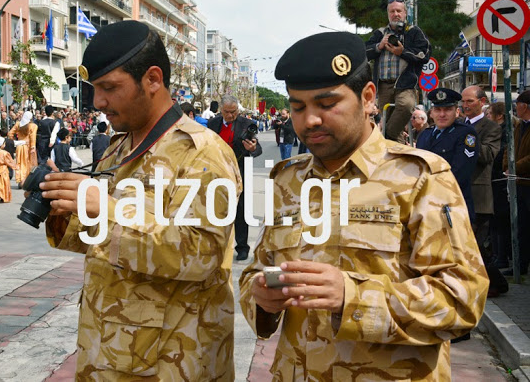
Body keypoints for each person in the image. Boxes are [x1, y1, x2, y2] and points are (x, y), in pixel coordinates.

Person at [240, 32, 488, 381]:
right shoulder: (287, 179)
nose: (310, 120)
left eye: (327, 105)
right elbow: (256, 271)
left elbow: (463, 297)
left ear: (368, 97)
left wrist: (353, 297)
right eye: (298, 107)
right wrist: (261, 302)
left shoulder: (419, 177)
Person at [40, 20, 241, 380]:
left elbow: (202, 256)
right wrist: (62, 205)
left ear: (152, 80)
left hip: (173, 363)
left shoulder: (204, 154)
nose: (98, 102)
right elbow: (102, 241)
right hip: (109, 352)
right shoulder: (120, 147)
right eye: (94, 89)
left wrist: (106, 208)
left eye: (109, 88)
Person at [460, 85, 507, 298]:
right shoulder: (458, 125)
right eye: (463, 101)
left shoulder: (491, 128)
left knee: (475, 247)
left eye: (470, 101)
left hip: (478, 196)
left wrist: (467, 141)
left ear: (482, 102)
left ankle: (495, 283)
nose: (465, 105)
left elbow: (488, 155)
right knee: (466, 247)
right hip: (457, 195)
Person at [365, 0, 430, 143]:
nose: (396, 14)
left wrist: (403, 52)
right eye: (392, 11)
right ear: (388, 14)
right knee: (390, 121)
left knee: (406, 106)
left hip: (405, 83)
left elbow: (425, 54)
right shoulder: (380, 33)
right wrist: (379, 46)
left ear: (405, 13)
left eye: (399, 11)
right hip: (383, 85)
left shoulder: (413, 32)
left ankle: (385, 136)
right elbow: (364, 52)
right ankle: (396, 156)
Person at [208, 94, 262, 261]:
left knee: (241, 210)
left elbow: (258, 149)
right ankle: (218, 245)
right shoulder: (212, 124)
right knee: (215, 210)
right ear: (221, 111)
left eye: (234, 112)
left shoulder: (247, 124)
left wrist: (252, 148)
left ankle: (242, 247)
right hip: (217, 172)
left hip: (240, 172)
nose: (231, 115)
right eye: (227, 112)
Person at [416, 88, 479, 221]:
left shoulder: (466, 134)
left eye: (447, 109)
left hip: (453, 206)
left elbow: (459, 173)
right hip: (426, 207)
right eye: (438, 110)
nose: (442, 114)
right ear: (431, 113)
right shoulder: (425, 134)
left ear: (457, 112)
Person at [503, 90, 530, 275]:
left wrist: (514, 167)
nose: (515, 109)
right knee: (521, 227)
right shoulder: (520, 126)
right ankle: (520, 265)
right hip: (518, 184)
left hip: (527, 182)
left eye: (517, 105)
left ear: (525, 106)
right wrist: (507, 165)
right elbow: (509, 148)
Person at [488, 102, 513, 268]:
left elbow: (502, 154)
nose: (487, 116)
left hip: (500, 179)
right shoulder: (499, 130)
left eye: (490, 113)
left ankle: (502, 256)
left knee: (501, 220)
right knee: (496, 221)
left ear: (499, 116)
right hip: (495, 179)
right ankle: (497, 254)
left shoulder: (504, 132)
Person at [8, 110, 38, 187]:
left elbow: (10, 133)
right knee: (28, 163)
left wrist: (15, 141)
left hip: (19, 146)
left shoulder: (18, 124)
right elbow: (33, 137)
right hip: (28, 146)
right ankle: (25, 181)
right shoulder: (33, 126)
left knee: (20, 163)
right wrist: (33, 147)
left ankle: (20, 180)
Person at [0, 137, 17, 203]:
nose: (4, 144)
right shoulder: (4, 153)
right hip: (3, 170)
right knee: (4, 184)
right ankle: (2, 196)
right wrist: (15, 166)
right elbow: (9, 162)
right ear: (1, 144)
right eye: (4, 143)